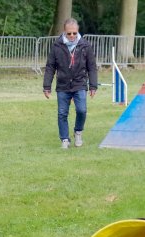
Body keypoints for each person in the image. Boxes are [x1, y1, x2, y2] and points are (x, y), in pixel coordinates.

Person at [43, 18, 98, 149]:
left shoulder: (85, 45)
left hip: (80, 83)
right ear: (64, 32)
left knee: (82, 110)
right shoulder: (57, 46)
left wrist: (93, 85)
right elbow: (50, 67)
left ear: (78, 31)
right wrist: (47, 86)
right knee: (62, 113)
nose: (72, 36)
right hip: (62, 85)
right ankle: (65, 139)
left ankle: (78, 131)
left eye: (74, 33)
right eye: (69, 33)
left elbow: (92, 66)